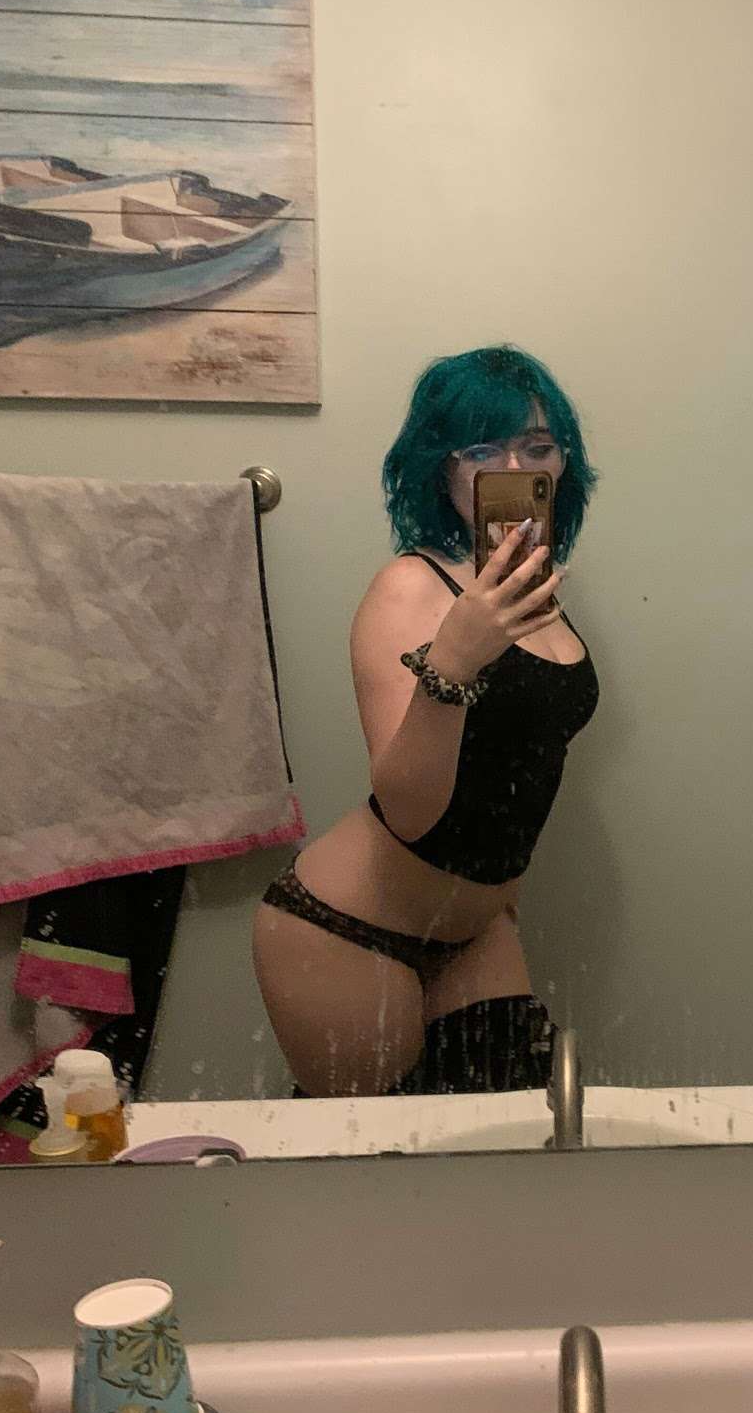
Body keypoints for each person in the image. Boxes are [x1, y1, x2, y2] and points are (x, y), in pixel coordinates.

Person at [253, 344, 599, 1095]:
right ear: (442, 469)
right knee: (372, 1157)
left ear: (563, 464)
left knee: (502, 1135)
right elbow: (408, 810)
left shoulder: (530, 590)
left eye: (537, 448)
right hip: (349, 928)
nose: (514, 468)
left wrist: (500, 892)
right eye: (483, 450)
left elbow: (523, 759)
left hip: (475, 926)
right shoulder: (410, 588)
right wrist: (454, 660)